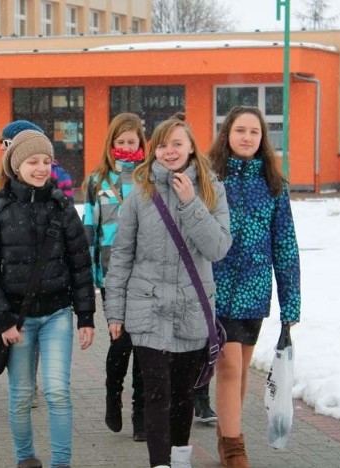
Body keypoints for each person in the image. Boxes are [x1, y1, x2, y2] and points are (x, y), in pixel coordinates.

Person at [104, 114, 232, 468]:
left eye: (177, 143)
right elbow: (121, 257)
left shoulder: (212, 190)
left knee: (182, 396)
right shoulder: (140, 193)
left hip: (192, 309)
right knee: (157, 394)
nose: (170, 150)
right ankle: (160, 464)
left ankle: (180, 459)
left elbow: (218, 247)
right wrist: (115, 312)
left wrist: (192, 204)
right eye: (162, 144)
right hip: (147, 310)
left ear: (191, 147)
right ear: (153, 150)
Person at [0, 130, 96, 468]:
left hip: (57, 314)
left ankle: (61, 463)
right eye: (32, 162)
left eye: (46, 161)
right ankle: (25, 458)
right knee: (22, 394)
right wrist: (3, 320)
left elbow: (81, 266)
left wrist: (86, 317)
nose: (40, 168)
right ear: (16, 165)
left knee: (57, 391)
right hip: (17, 320)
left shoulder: (62, 208)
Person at [207, 105, 301, 468]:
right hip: (216, 290)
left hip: (255, 292)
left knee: (242, 369)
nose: (247, 137)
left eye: (254, 132)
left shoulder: (274, 186)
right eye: (240, 131)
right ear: (227, 135)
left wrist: (290, 305)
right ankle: (234, 448)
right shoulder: (211, 179)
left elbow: (285, 246)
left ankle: (224, 435)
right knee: (228, 367)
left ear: (262, 139)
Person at [81, 112, 147, 441]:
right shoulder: (98, 180)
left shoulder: (149, 177)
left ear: (140, 144)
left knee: (145, 345)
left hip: (146, 273)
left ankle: (141, 411)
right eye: (119, 141)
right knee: (121, 341)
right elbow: (90, 228)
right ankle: (112, 396)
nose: (124, 146)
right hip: (112, 275)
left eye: (130, 142)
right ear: (111, 143)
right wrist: (92, 272)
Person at [0, 119, 74, 199]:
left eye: (7, 143)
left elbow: (67, 207)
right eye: (1, 142)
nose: (2, 147)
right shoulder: (0, 175)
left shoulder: (58, 175)